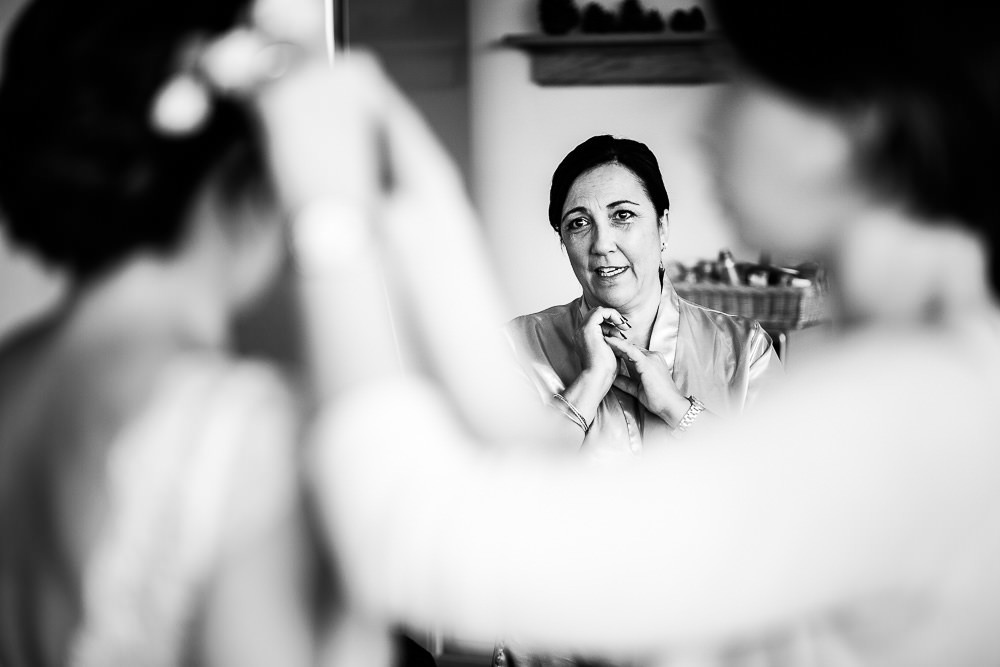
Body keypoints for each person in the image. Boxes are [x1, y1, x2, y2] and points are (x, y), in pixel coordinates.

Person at [298, 0, 1000, 665]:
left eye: (741, 80)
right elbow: (524, 451)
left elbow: (425, 544)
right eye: (579, 224)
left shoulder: (914, 401)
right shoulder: (921, 357)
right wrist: (417, 184)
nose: (704, 125)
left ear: (850, 118)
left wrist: (329, 213)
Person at [505, 135, 780, 462]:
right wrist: (589, 385)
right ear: (563, 242)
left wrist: (676, 409)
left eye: (622, 216)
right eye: (579, 223)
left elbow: (787, 480)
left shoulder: (745, 348)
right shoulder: (518, 348)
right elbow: (502, 488)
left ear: (662, 226)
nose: (602, 244)